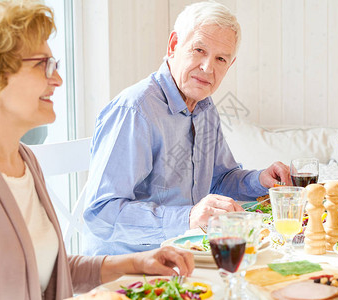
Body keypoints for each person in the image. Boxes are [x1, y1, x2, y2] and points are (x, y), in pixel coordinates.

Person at [0, 1, 193, 299]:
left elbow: (46, 272)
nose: (58, 79)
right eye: (41, 64)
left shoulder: (24, 160)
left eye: (55, 65)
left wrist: (135, 263)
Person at [83, 1, 291, 256]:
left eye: (220, 58)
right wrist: (189, 217)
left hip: (185, 255)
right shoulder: (135, 110)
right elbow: (101, 214)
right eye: (199, 50)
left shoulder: (204, 107)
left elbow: (220, 180)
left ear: (230, 65)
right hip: (128, 267)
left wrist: (260, 180)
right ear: (173, 46)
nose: (207, 67)